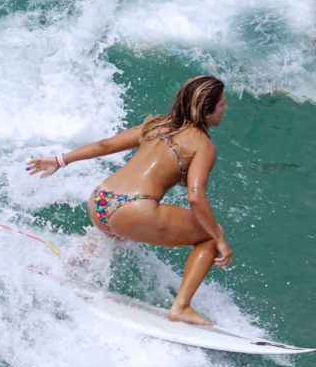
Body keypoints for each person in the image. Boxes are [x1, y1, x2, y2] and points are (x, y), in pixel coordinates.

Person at [26, 75, 231, 325]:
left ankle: (62, 269)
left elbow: (106, 145)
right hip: (134, 208)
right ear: (207, 111)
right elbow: (195, 197)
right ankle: (181, 307)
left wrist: (59, 160)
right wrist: (220, 240)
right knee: (210, 235)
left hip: (101, 200)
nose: (225, 108)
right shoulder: (203, 145)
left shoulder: (156, 125)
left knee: (112, 233)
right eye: (222, 104)